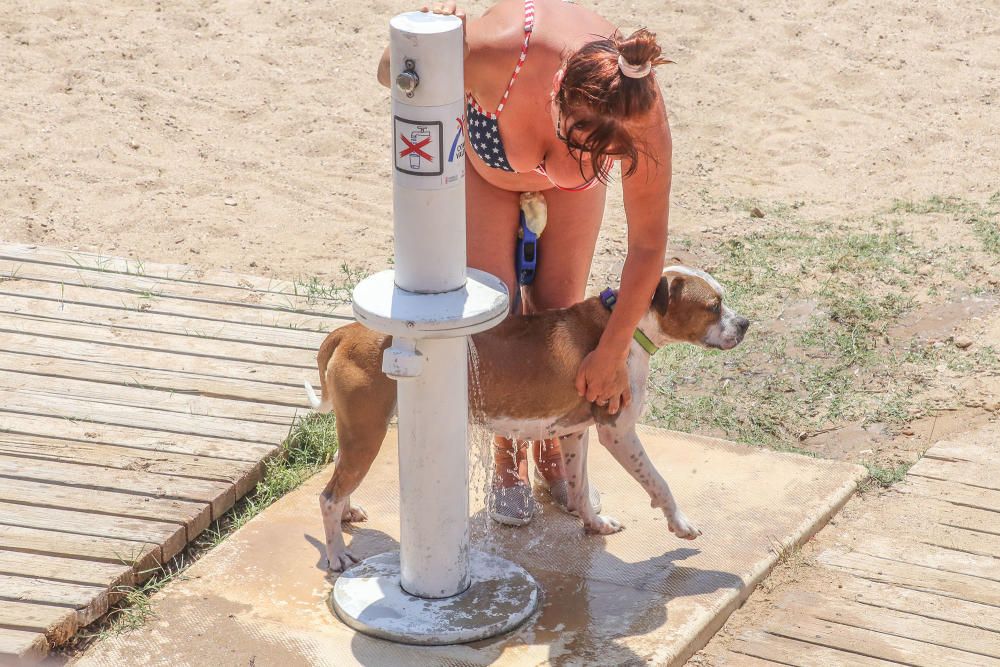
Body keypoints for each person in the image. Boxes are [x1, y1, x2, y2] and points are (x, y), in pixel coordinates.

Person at [378, 0, 672, 525]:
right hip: (486, 166)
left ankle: (554, 454)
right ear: (557, 86)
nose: (578, 159)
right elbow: (388, 73)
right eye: (574, 139)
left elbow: (648, 247)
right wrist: (429, 40)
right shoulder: (496, 50)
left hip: (571, 196)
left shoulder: (637, 105)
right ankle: (507, 461)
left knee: (562, 317)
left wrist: (613, 349)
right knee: (498, 316)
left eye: (598, 157)